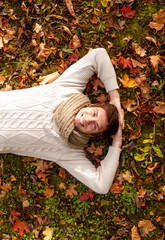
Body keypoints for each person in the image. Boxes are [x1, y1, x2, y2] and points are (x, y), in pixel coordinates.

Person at [0, 48, 124, 194]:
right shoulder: (68, 89)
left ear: (93, 135)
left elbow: (101, 185)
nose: (88, 119)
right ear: (90, 105)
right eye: (94, 113)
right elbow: (99, 55)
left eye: (95, 126)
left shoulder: (69, 151)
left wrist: (117, 142)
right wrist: (115, 98)